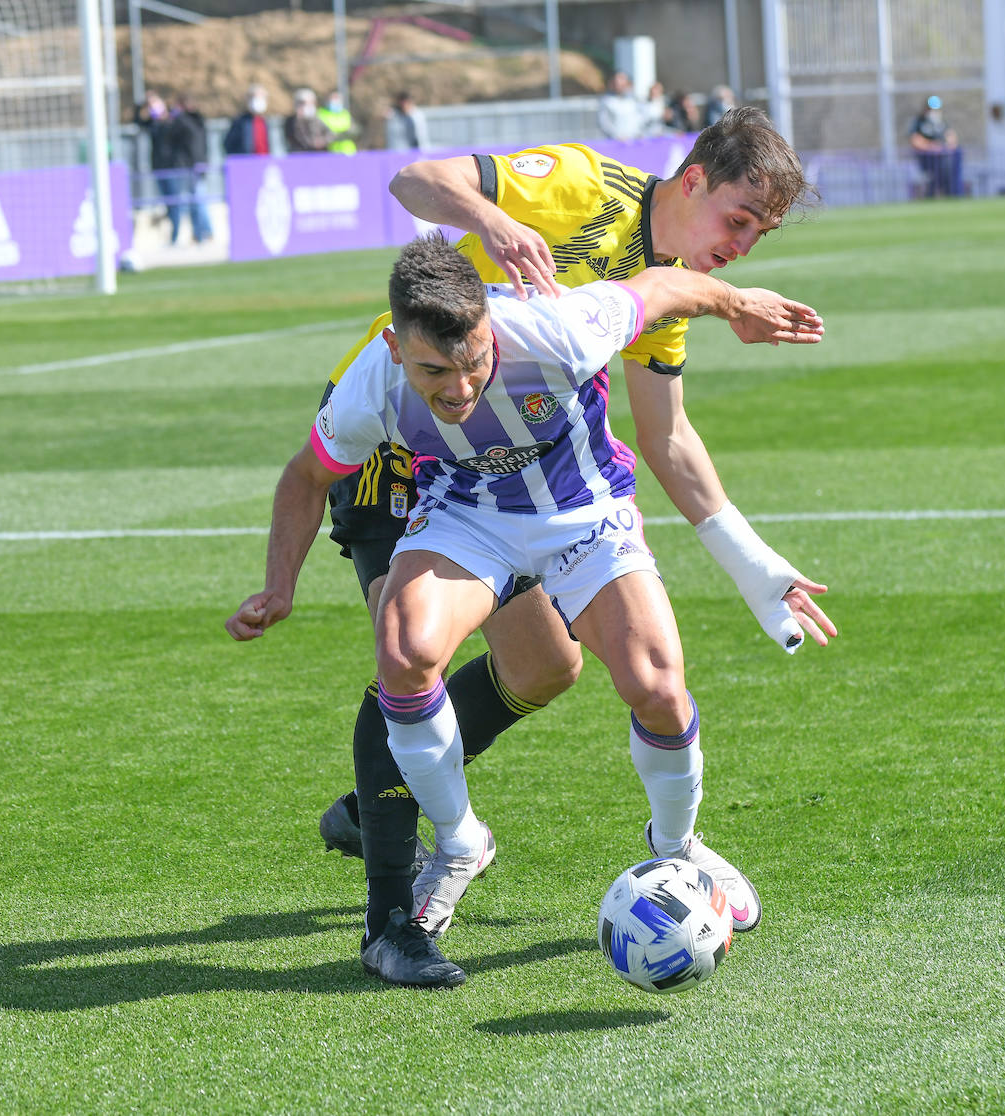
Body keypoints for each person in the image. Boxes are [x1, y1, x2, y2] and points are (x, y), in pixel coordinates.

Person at [226, 234, 837, 988]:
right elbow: (306, 476)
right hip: (466, 519)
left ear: (490, 326)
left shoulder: (558, 329)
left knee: (656, 684)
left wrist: (736, 303)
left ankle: (677, 848)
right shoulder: (370, 386)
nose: (458, 388)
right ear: (395, 347)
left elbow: (662, 288)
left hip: (585, 514)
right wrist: (279, 586)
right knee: (405, 648)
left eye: (474, 361)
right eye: (433, 371)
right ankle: (457, 841)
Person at [169, 95, 214, 243]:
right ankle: (200, 232)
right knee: (197, 200)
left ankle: (204, 232)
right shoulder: (197, 120)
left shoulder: (185, 121)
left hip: (191, 166)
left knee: (197, 200)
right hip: (197, 164)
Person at [909, 95, 961, 198]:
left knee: (948, 171)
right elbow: (915, 140)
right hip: (928, 159)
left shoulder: (941, 122)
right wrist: (931, 146)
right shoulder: (919, 122)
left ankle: (950, 194)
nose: (933, 111)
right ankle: (931, 194)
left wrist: (945, 146)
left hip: (944, 158)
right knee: (934, 177)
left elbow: (952, 138)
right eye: (930, 108)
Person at [223, 83, 271, 157]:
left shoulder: (265, 122)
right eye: (256, 98)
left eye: (262, 97)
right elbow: (229, 144)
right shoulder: (240, 122)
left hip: (263, 161)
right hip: (246, 161)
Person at [597, 70, 643, 141]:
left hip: (634, 141)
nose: (619, 84)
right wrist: (617, 136)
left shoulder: (633, 100)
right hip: (616, 143)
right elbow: (604, 123)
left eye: (622, 80)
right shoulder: (607, 101)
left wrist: (638, 133)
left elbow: (640, 119)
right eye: (616, 81)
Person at [283, 87, 332, 154]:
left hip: (320, 154)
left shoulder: (319, 117)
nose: (309, 106)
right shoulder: (291, 121)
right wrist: (299, 119)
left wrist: (322, 141)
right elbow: (297, 137)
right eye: (305, 103)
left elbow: (330, 134)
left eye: (311, 102)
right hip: (301, 155)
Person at [317, 90, 358, 155]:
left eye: (338, 99)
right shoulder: (321, 113)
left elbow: (355, 130)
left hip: (348, 151)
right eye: (333, 98)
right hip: (330, 151)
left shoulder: (345, 113)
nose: (336, 101)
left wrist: (346, 134)